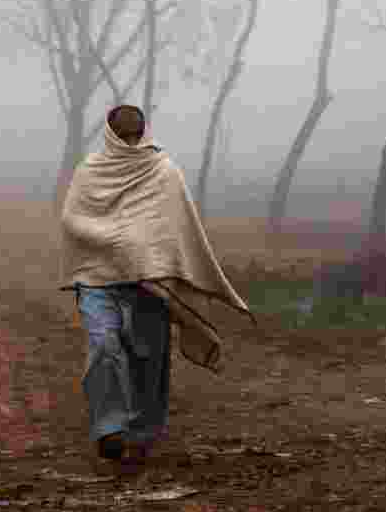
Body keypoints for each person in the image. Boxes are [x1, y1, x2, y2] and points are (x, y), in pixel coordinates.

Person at [60, 104, 255, 469]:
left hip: (150, 281)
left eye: (137, 134)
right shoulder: (90, 172)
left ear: (145, 132)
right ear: (110, 134)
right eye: (124, 136)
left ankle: (142, 435)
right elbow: (73, 219)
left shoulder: (163, 172)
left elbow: (176, 228)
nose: (132, 143)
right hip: (98, 278)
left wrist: (147, 252)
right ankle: (109, 430)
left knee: (148, 358)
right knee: (103, 346)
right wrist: (116, 238)